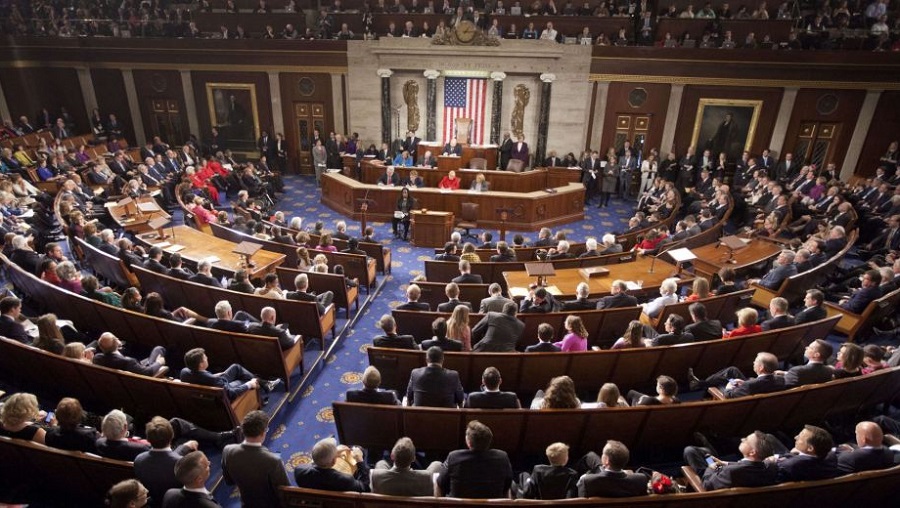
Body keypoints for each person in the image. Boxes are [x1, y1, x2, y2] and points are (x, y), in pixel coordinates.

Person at [222, 410, 290, 507]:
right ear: (263, 432)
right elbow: (285, 492)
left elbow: (229, 481)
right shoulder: (273, 461)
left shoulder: (227, 450)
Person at [436, 420, 513, 498]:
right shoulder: (503, 458)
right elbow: (507, 486)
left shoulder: (453, 457)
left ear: (468, 443)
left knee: (436, 467)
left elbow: (440, 484)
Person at [180, 348, 280, 402]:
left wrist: (214, 375)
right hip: (222, 394)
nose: (207, 358)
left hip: (211, 386)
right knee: (248, 379)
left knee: (235, 367)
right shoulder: (214, 380)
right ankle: (260, 398)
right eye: (205, 358)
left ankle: (265, 384)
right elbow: (231, 394)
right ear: (201, 364)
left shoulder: (184, 372)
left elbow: (201, 377)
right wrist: (249, 384)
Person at [690, 431, 778, 490]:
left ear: (752, 452)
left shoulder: (730, 472)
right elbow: (748, 467)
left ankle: (707, 448)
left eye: (746, 440)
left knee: (690, 451)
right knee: (709, 456)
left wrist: (711, 468)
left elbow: (706, 485)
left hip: (713, 486)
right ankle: (708, 448)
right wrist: (726, 463)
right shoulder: (771, 467)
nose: (742, 439)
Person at [688, 352, 786, 398]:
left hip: (742, 398)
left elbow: (728, 395)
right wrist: (745, 383)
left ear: (761, 368)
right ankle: (700, 383)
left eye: (755, 362)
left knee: (723, 381)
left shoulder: (749, 385)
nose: (753, 363)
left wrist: (729, 387)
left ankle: (700, 384)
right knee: (732, 370)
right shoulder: (780, 380)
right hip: (753, 388)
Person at [371, 437, 444, 496]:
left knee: (381, 463)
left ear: (392, 456)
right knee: (437, 464)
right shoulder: (429, 478)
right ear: (413, 459)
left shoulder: (375, 476)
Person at [293, 437, 370, 492]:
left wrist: (332, 453)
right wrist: (360, 461)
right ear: (333, 462)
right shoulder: (344, 479)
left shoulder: (299, 470)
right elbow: (364, 487)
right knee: (360, 449)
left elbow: (312, 463)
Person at [576, 440, 649, 498]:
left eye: (602, 454)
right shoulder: (641, 480)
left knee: (590, 456)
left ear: (606, 460)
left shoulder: (586, 481)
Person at [773, 425, 839, 482]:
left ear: (810, 448)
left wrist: (773, 459)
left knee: (770, 437)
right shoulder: (831, 459)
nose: (795, 437)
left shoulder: (791, 465)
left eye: (799, 437)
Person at [92, 332, 167, 376]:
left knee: (152, 355)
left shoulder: (97, 359)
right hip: (141, 378)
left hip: (133, 372)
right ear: (117, 342)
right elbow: (148, 373)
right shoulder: (128, 362)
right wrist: (159, 362)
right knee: (159, 349)